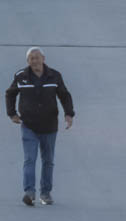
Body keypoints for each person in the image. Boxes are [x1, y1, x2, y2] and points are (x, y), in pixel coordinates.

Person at [7, 46, 75, 206]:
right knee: (30, 159)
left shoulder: (55, 76)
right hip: (29, 126)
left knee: (48, 161)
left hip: (49, 126)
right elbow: (10, 94)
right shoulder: (21, 76)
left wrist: (69, 114)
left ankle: (45, 193)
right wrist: (12, 113)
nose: (34, 61)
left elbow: (64, 95)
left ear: (43, 59)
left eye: (37, 57)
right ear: (27, 61)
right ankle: (29, 193)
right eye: (31, 58)